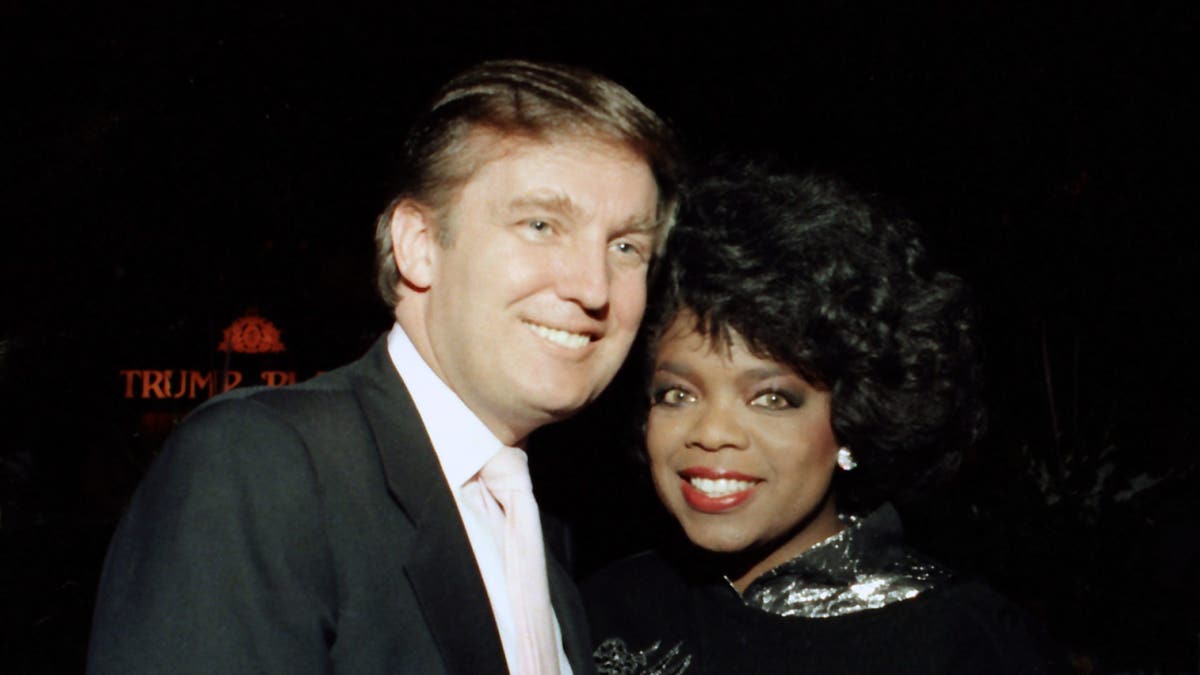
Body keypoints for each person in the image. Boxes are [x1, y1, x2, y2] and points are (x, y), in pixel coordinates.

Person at [87, 59, 682, 674]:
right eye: (539, 225)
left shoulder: (540, 520)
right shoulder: (263, 465)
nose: (593, 286)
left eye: (625, 247)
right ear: (419, 245)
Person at [584, 164, 1068, 674]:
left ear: (856, 418)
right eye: (678, 393)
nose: (710, 432)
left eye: (771, 399)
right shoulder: (608, 606)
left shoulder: (964, 643)